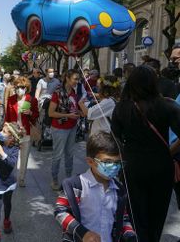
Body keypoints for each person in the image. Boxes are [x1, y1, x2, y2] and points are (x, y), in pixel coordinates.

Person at [111, 65, 180, 242]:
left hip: (132, 166)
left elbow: (114, 139)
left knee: (135, 215)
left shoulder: (121, 108)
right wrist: (169, 151)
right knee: (157, 215)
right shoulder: (167, 105)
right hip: (161, 167)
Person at [54, 132, 137, 242]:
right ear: (90, 161)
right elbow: (60, 211)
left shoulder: (119, 190)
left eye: (117, 162)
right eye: (108, 162)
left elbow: (124, 217)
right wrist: (83, 233)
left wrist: (129, 234)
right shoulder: (75, 186)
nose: (114, 167)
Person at [48, 69, 88, 191]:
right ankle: (54, 179)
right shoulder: (58, 93)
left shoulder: (76, 92)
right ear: (67, 78)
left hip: (72, 127)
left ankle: (69, 179)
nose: (77, 81)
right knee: (57, 155)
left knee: (70, 155)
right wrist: (68, 116)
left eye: (78, 79)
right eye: (75, 79)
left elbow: (73, 108)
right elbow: (51, 113)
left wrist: (79, 112)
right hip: (59, 128)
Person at [4, 76, 39, 187]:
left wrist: (31, 113)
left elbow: (36, 115)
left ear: (26, 87)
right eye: (18, 87)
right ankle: (12, 177)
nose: (20, 89)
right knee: (12, 156)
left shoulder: (31, 100)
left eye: (22, 87)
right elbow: (7, 117)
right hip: (13, 132)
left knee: (24, 158)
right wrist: (5, 128)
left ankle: (22, 178)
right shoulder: (11, 99)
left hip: (26, 132)